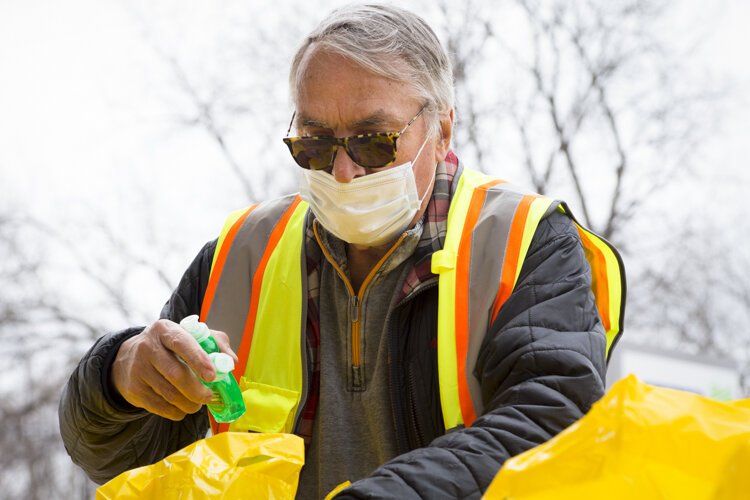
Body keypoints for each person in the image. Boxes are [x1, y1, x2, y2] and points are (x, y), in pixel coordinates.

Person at [59, 4, 625, 499]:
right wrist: (117, 381)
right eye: (314, 143)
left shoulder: (525, 241)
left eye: (374, 141)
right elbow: (121, 463)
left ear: (443, 129)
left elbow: (555, 419)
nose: (344, 170)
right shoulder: (241, 254)